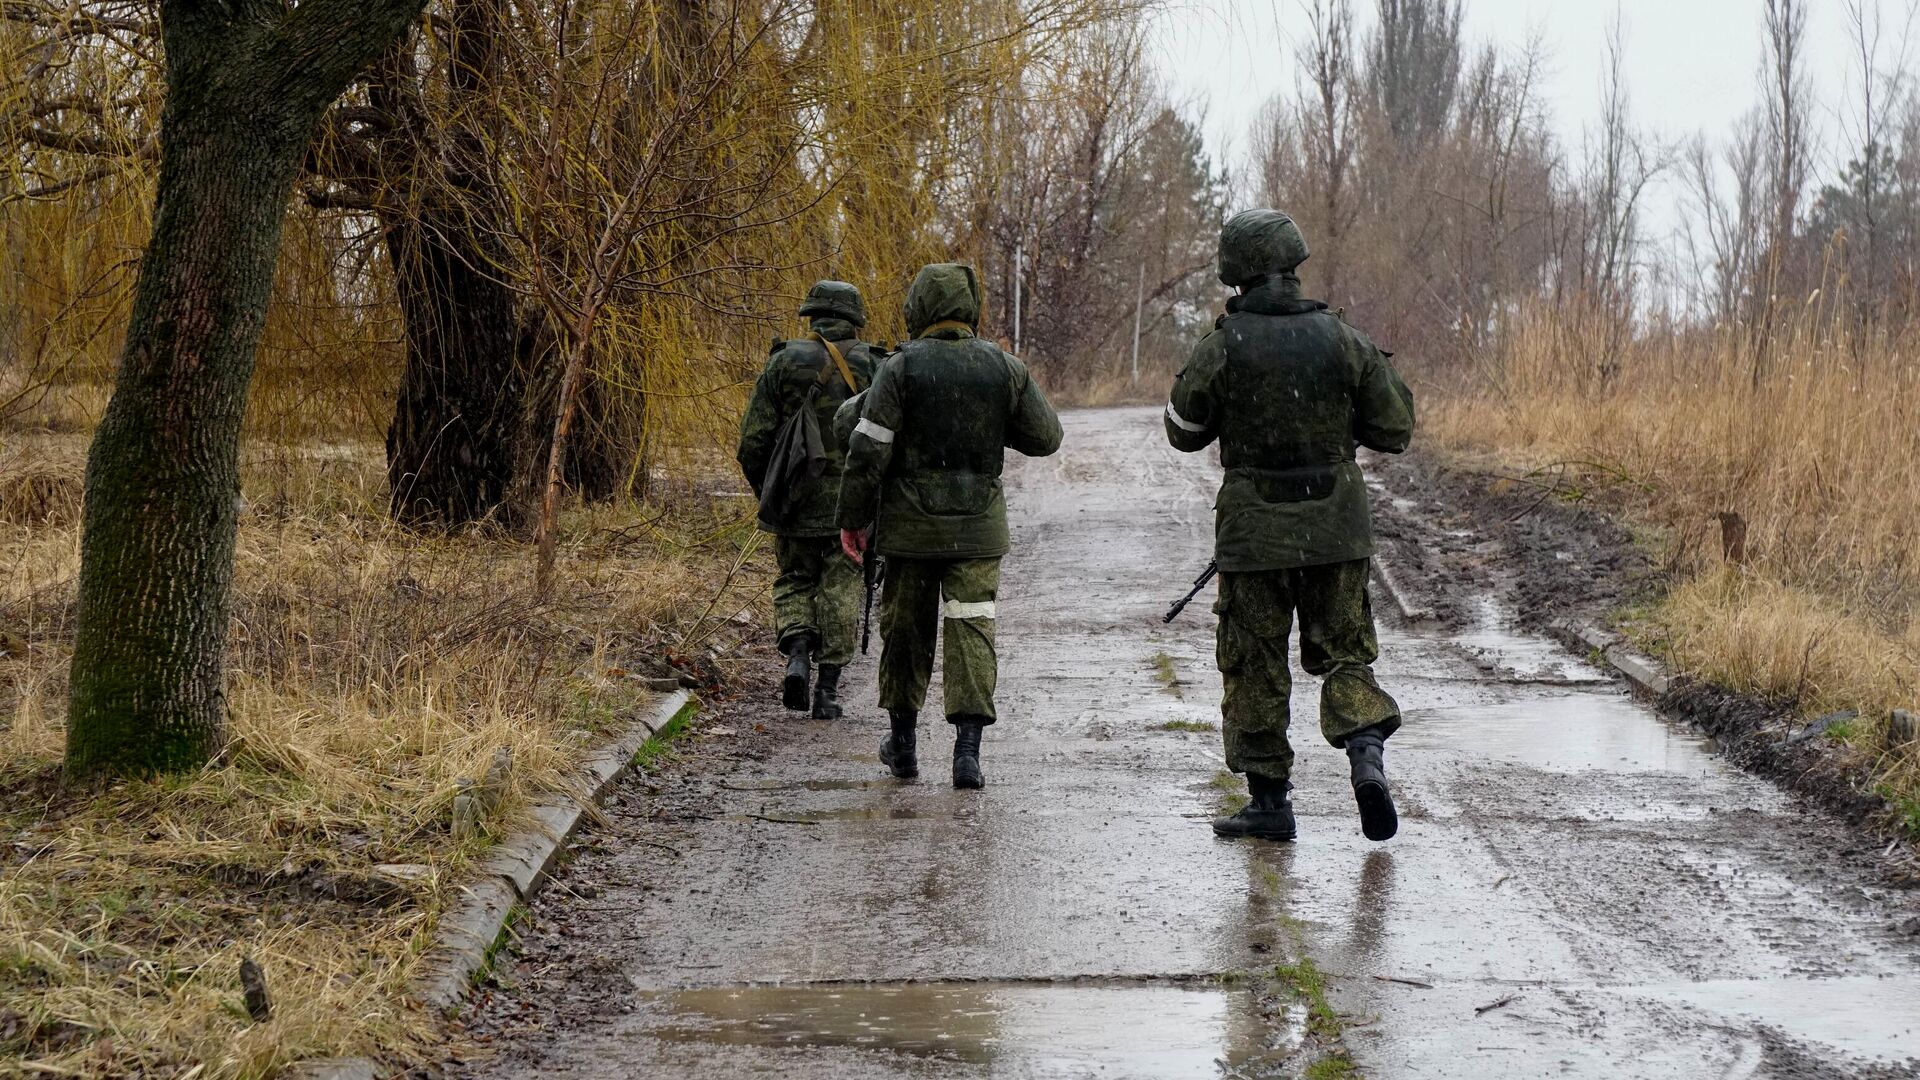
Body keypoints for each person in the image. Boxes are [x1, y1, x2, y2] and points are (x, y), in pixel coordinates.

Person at [1165, 209, 1415, 842]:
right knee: (1346, 653)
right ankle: (1364, 752)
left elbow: (1184, 431)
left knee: (1254, 665)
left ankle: (1270, 803)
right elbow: (1395, 427)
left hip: (1255, 538)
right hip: (1336, 529)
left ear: (1236, 274)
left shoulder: (1224, 345)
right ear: (1294, 267)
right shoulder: (1343, 338)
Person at [836, 263, 1062, 789]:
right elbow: (1046, 436)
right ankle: (967, 753)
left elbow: (865, 449)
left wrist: (852, 519)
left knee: (906, 633)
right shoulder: (1003, 367)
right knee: (971, 629)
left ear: (919, 308)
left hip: (911, 531)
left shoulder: (901, 368)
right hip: (978, 531)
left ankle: (905, 745)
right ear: (970, 307)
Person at [736, 280, 885, 718]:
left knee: (796, 578)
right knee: (841, 586)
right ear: (855, 318)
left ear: (811, 315)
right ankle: (828, 692)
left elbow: (753, 442)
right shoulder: (874, 366)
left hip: (795, 497)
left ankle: (798, 653)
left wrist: (769, 491)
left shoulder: (783, 363)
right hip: (851, 504)